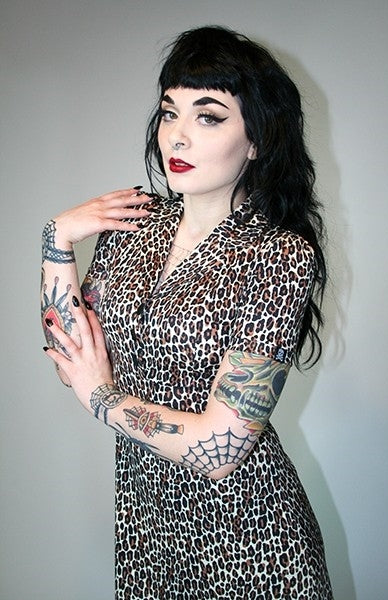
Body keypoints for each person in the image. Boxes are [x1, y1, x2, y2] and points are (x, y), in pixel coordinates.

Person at [41, 25, 333, 600]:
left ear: (256, 140)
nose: (177, 136)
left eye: (209, 117)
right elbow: (70, 354)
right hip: (148, 528)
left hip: (249, 538)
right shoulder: (134, 225)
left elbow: (221, 450)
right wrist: (57, 239)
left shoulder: (277, 255)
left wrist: (101, 398)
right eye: (169, 112)